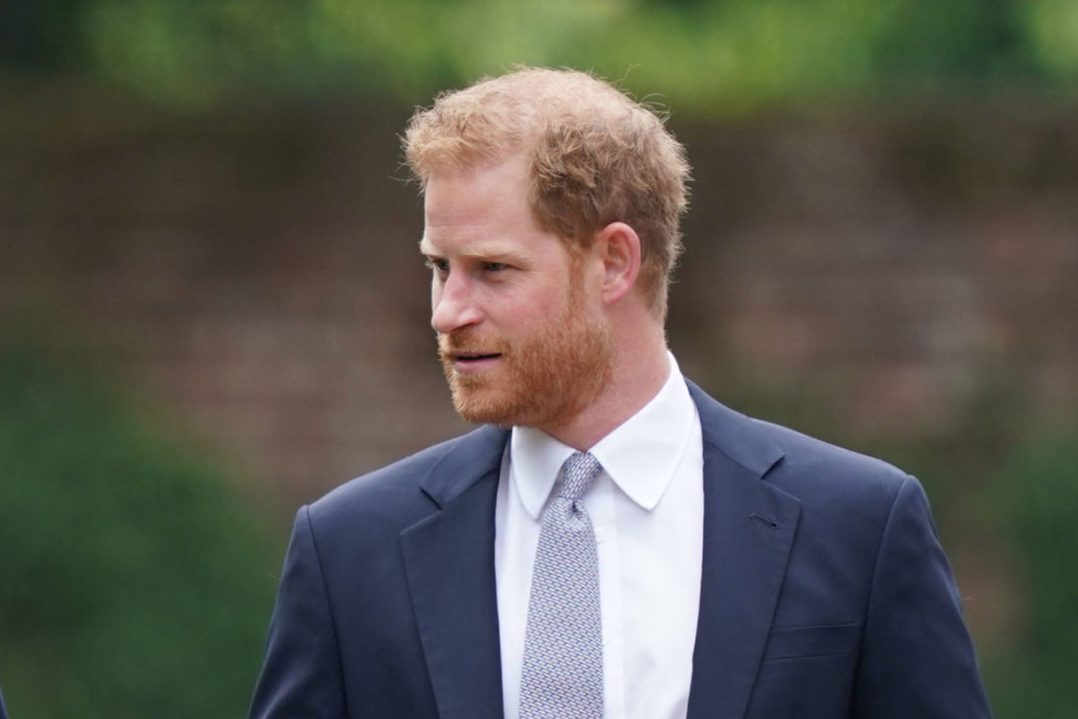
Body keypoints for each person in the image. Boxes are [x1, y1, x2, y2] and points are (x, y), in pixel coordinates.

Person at [249, 67, 992, 718]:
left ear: (613, 262)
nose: (448, 310)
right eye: (440, 266)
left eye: (493, 269)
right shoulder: (348, 552)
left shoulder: (857, 530)